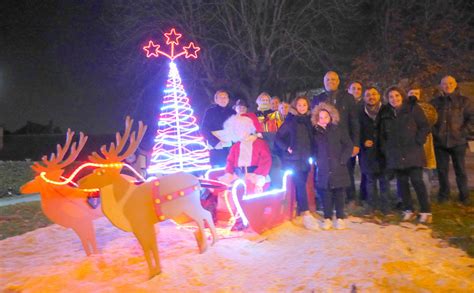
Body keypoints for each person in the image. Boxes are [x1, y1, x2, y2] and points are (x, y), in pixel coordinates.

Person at [378, 86, 431, 223]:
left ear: (402, 96)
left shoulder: (413, 108)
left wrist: (419, 140)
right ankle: (409, 209)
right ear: (387, 99)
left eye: (396, 95)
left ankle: (426, 210)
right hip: (395, 153)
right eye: (390, 97)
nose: (394, 99)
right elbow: (382, 133)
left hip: (412, 151)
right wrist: (386, 148)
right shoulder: (385, 113)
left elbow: (424, 126)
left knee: (417, 181)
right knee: (402, 183)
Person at [311, 71, 360, 205]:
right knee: (326, 170)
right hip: (324, 142)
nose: (330, 82)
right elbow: (314, 121)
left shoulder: (348, 98)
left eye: (333, 79)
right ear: (324, 81)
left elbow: (354, 121)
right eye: (327, 79)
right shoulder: (317, 98)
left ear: (338, 81)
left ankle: (349, 198)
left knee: (346, 168)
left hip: (343, 141)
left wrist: (355, 143)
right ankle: (328, 200)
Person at [275, 96, 319, 230]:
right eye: (299, 105)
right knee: (300, 184)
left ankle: (300, 209)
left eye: (304, 105)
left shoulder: (309, 121)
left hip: (305, 158)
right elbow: (278, 138)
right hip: (293, 159)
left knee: (303, 184)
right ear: (295, 106)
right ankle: (305, 213)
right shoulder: (290, 121)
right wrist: (286, 148)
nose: (302, 107)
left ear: (307, 107)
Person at [430, 75, 474, 205]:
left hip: (458, 141)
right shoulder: (435, 102)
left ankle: (464, 195)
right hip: (440, 142)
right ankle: (444, 195)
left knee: (460, 170)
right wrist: (435, 133)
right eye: (444, 83)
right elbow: (429, 120)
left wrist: (463, 133)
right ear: (441, 86)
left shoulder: (464, 101)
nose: (447, 86)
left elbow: (472, 119)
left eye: (450, 83)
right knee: (442, 171)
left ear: (455, 84)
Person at [312, 102, 353, 230]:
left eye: (326, 117)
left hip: (338, 166)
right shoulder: (315, 133)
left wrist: (343, 159)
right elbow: (312, 149)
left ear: (331, 117)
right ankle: (327, 217)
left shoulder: (338, 129)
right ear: (317, 119)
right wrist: (316, 160)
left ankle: (340, 217)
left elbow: (348, 145)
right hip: (323, 167)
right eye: (321, 117)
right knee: (326, 193)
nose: (323, 120)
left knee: (339, 193)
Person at [219, 114, 272, 193]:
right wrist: (229, 174)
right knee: (224, 190)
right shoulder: (236, 146)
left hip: (256, 177)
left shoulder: (260, 144)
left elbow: (266, 162)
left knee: (249, 192)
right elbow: (230, 162)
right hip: (238, 176)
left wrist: (257, 176)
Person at [359, 87, 389, 214]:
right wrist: (362, 141)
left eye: (374, 94)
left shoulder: (386, 110)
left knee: (384, 180)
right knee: (370, 181)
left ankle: (385, 207)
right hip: (368, 152)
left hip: (384, 151)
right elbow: (356, 130)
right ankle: (372, 206)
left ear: (379, 95)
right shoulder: (360, 112)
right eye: (368, 95)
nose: (371, 97)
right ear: (364, 98)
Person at [407, 83, 438, 194]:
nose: (414, 95)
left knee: (425, 170)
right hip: (407, 143)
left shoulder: (427, 108)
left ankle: (426, 197)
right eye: (411, 93)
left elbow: (430, 123)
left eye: (416, 93)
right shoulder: (403, 107)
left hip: (424, 142)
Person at [201, 90, 236, 167]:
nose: (223, 99)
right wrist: (215, 142)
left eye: (225, 97)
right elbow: (204, 129)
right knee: (218, 171)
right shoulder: (210, 112)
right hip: (216, 147)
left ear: (228, 99)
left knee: (232, 170)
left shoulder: (233, 112)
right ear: (216, 100)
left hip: (231, 147)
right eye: (221, 97)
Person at [347, 80, 367, 202]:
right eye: (353, 88)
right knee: (349, 169)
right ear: (348, 90)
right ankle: (351, 196)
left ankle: (364, 195)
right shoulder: (346, 104)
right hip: (349, 141)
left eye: (359, 89)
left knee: (365, 169)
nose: (356, 91)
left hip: (364, 141)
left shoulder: (365, 105)